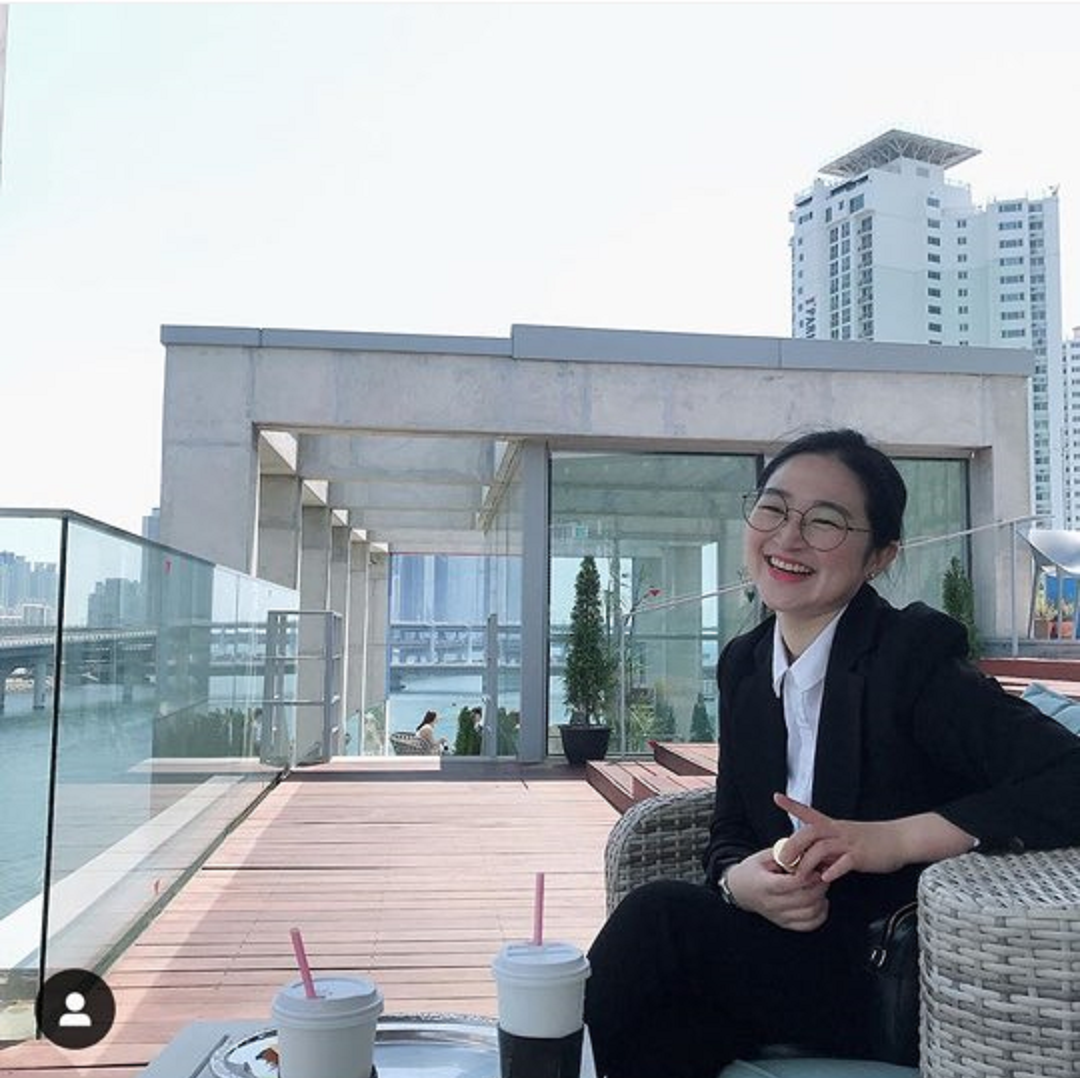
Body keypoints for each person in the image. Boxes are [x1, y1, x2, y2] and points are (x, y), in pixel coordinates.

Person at [584, 428, 1080, 1078]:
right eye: (773, 508)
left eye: (825, 521)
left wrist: (893, 840)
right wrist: (739, 883)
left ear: (880, 556)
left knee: (657, 919)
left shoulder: (912, 659)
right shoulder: (745, 664)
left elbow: (1068, 776)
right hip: (777, 958)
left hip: (892, 975)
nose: (787, 537)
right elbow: (731, 825)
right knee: (658, 1036)